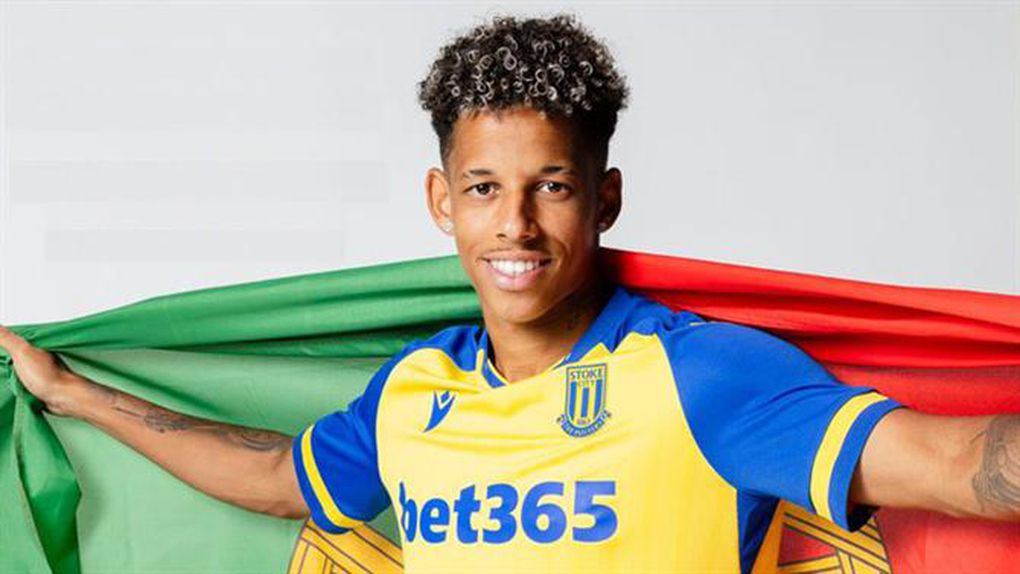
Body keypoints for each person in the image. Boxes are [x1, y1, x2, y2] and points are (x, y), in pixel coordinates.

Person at [1, 13, 1017, 573]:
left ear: (605, 198)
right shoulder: (414, 389)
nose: (516, 226)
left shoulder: (703, 375)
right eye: (485, 189)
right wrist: (75, 395)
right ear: (442, 202)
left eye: (553, 187)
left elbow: (960, 467)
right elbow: (277, 477)